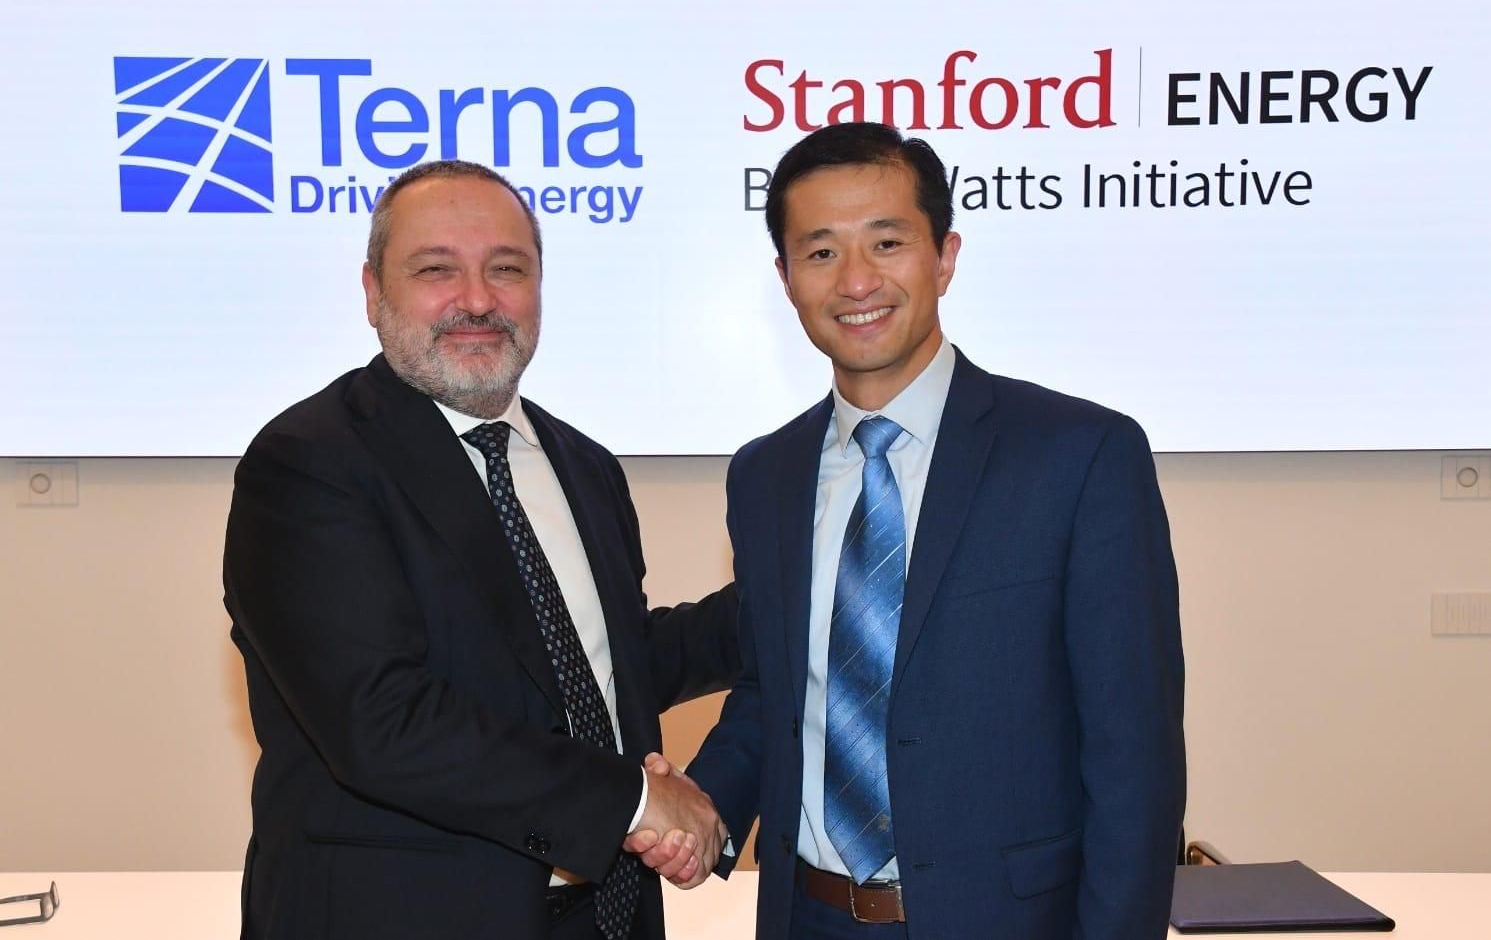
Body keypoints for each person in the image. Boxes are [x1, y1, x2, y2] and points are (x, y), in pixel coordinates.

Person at [631, 123, 1186, 939]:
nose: (856, 279)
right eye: (821, 251)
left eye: (886, 242)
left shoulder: (1079, 454)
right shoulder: (764, 474)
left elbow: (1133, 753)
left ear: (944, 256)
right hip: (807, 916)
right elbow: (777, 687)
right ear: (785, 277)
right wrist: (706, 806)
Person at [223, 158, 736, 940]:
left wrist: (789, 600)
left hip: (602, 916)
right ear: (372, 292)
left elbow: (601, 667)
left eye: (506, 269)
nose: (476, 299)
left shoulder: (584, 466)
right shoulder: (309, 461)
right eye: (436, 269)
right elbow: (382, 720)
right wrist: (632, 801)